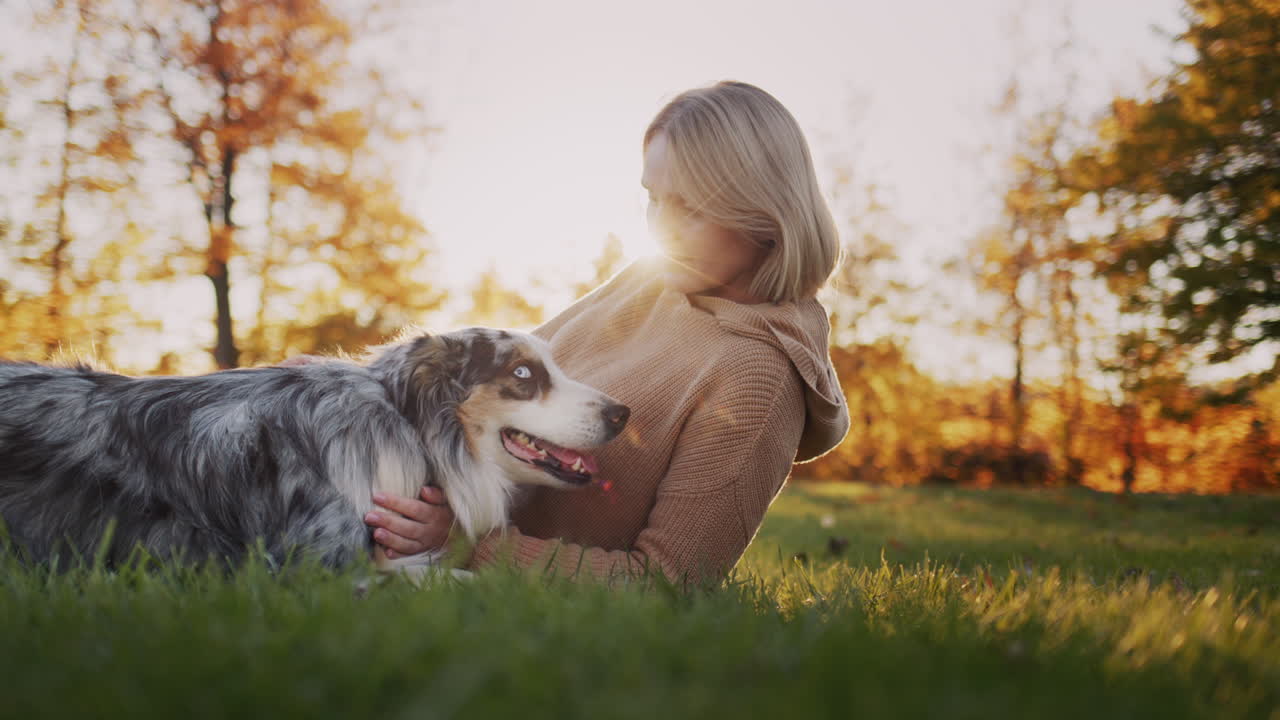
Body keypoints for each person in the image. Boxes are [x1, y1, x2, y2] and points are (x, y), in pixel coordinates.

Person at [364, 81, 850, 584]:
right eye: (653, 199)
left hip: (469, 577)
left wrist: (468, 544)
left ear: (765, 214)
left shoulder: (757, 380)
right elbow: (494, 381)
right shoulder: (653, 278)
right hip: (402, 493)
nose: (661, 228)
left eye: (691, 208)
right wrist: (352, 380)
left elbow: (665, 583)